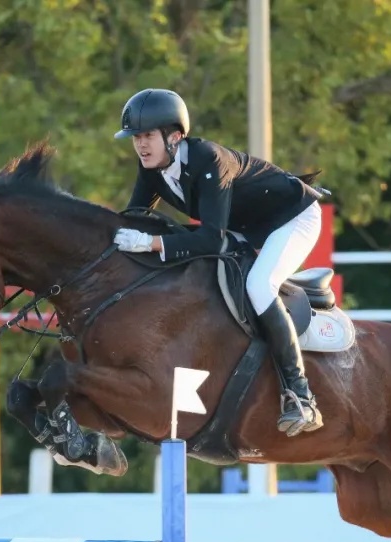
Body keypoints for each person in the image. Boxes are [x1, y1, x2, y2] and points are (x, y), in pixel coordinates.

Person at [111, 88, 325, 437]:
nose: (140, 145)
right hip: (247, 227)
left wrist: (151, 243)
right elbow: (134, 218)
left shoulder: (209, 160)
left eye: (147, 135)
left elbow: (212, 238)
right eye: (136, 138)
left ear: (175, 135)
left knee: (258, 285)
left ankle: (300, 395)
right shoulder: (151, 167)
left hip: (292, 218)